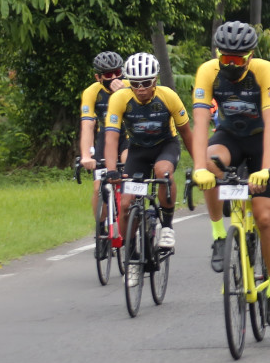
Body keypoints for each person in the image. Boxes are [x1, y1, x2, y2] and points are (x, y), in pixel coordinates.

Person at [191, 22, 270, 327]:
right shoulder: (207, 72)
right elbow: (200, 122)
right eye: (226, 58)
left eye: (238, 59)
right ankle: (219, 235)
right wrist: (198, 167)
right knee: (210, 163)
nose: (231, 65)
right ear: (217, 54)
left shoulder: (264, 72)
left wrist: (267, 170)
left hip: (260, 141)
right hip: (230, 136)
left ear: (250, 56)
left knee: (264, 217)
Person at [102, 52, 193, 254]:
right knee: (126, 204)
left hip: (165, 145)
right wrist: (111, 170)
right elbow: (111, 138)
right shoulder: (119, 98)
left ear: (155, 80)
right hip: (138, 150)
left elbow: (187, 133)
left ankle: (167, 227)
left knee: (163, 172)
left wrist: (200, 166)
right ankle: (131, 253)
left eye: (146, 82)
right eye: (135, 84)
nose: (141, 88)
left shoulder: (168, 96)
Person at [78, 50, 126, 229]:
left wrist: (124, 93)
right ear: (98, 77)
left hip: (129, 136)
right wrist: (86, 155)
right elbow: (88, 125)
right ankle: (101, 228)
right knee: (98, 187)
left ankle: (131, 217)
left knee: (128, 174)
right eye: (108, 74)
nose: (114, 78)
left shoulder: (131, 86)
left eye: (117, 72)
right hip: (106, 137)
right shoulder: (92, 92)